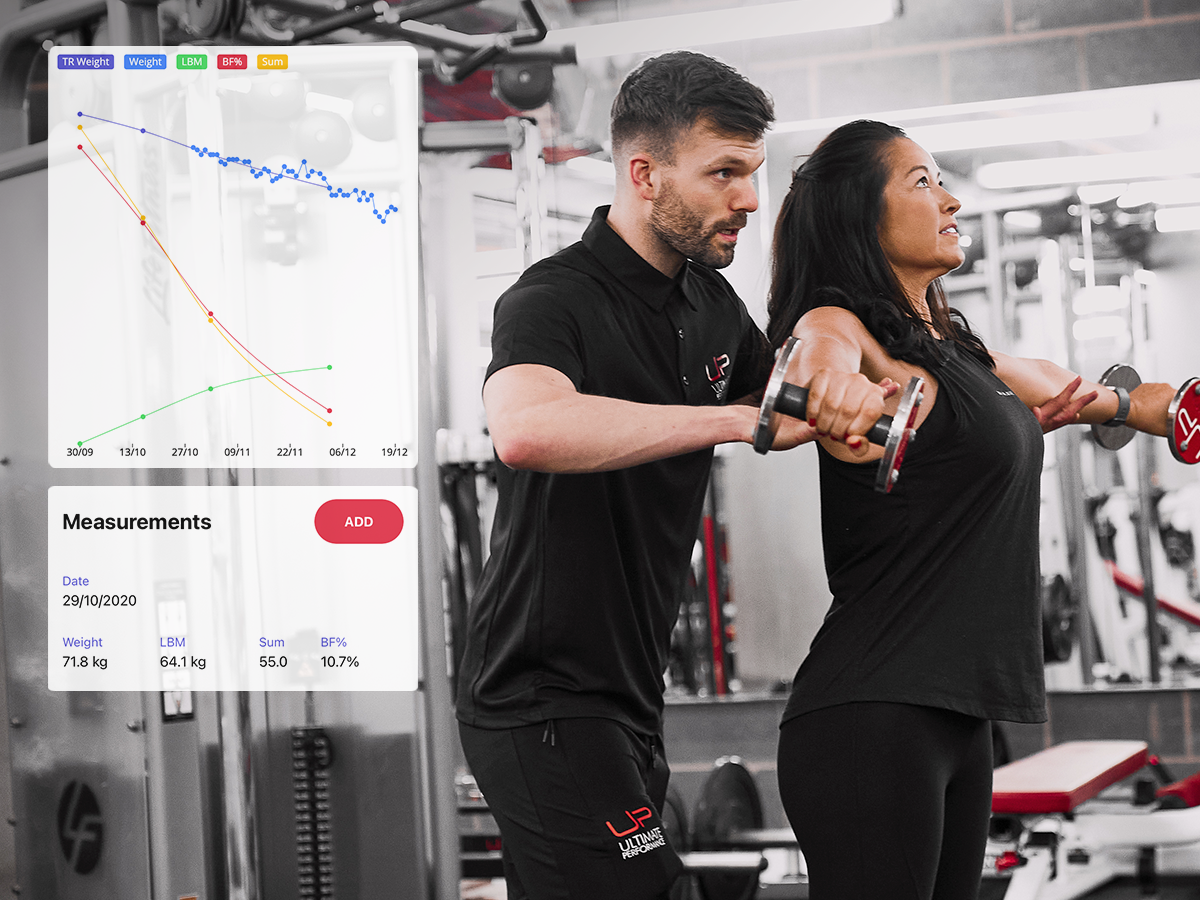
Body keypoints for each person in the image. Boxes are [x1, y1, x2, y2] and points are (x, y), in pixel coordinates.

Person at [765, 119, 1179, 900]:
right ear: (861, 216)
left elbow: (1062, 382)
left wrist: (1143, 404)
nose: (951, 198)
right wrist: (830, 382)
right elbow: (817, 346)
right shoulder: (847, 332)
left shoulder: (958, 354)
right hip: (874, 716)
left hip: (959, 720)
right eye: (922, 182)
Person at [455, 51, 810, 900]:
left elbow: (796, 399)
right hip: (541, 698)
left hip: (631, 697)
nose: (749, 200)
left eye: (753, 173)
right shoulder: (552, 299)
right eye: (724, 173)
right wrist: (733, 421)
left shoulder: (710, 305)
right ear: (643, 174)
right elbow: (527, 428)